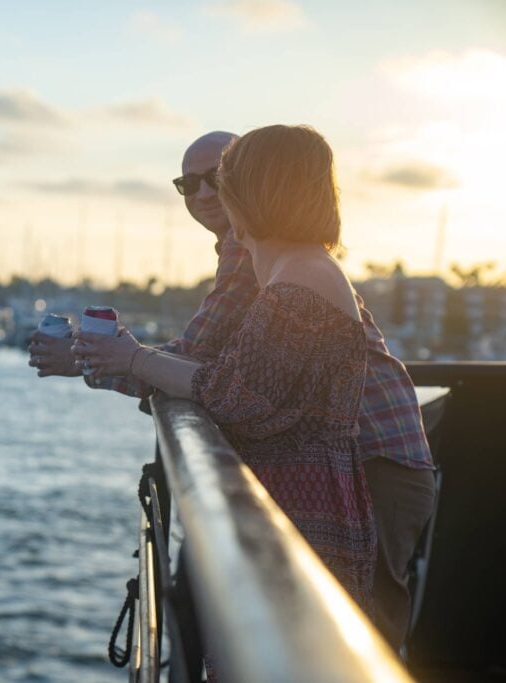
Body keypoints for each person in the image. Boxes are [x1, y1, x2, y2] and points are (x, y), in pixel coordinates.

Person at [29, 127, 436, 650]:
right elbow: (227, 366)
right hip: (345, 465)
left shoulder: (279, 266)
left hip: (368, 462)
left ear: (255, 187)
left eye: (220, 179)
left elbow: (223, 379)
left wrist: (111, 358)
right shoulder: (274, 258)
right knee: (332, 634)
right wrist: (112, 358)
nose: (204, 193)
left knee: (351, 639)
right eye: (188, 184)